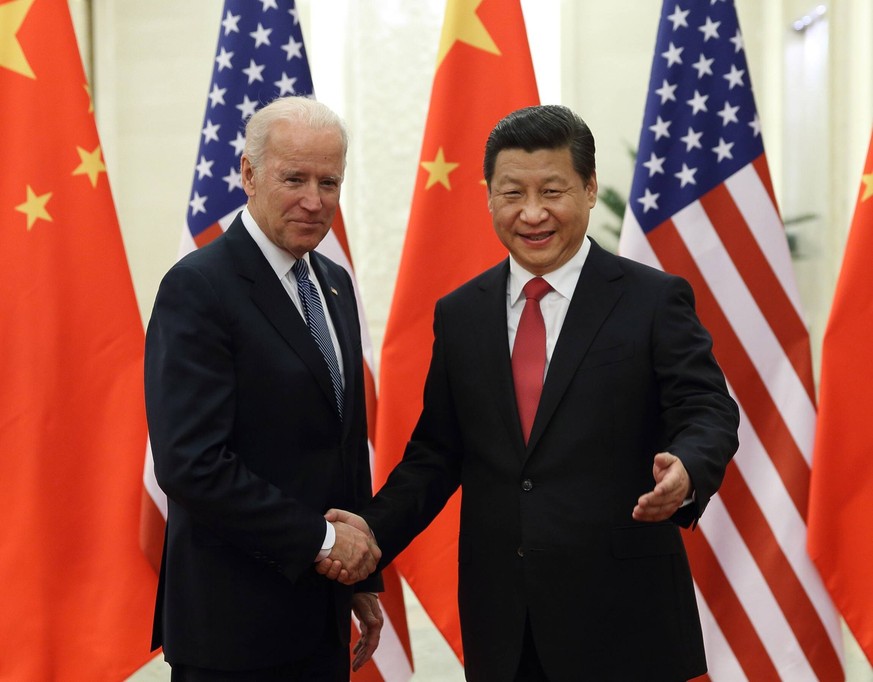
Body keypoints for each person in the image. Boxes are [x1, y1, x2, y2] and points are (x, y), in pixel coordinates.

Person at [321, 104, 740, 681]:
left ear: (590, 189)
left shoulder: (652, 299)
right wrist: (369, 533)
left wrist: (689, 468)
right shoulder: (462, 313)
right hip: (506, 627)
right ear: (489, 195)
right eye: (512, 192)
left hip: (626, 622)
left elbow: (708, 409)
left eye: (553, 190)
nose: (533, 213)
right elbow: (437, 453)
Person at [145, 96, 383, 681]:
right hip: (233, 633)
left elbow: (341, 442)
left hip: (320, 617)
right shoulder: (199, 288)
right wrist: (323, 542)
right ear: (248, 175)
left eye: (329, 181)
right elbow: (191, 464)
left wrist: (358, 578)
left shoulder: (331, 283)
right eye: (294, 178)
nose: (314, 200)